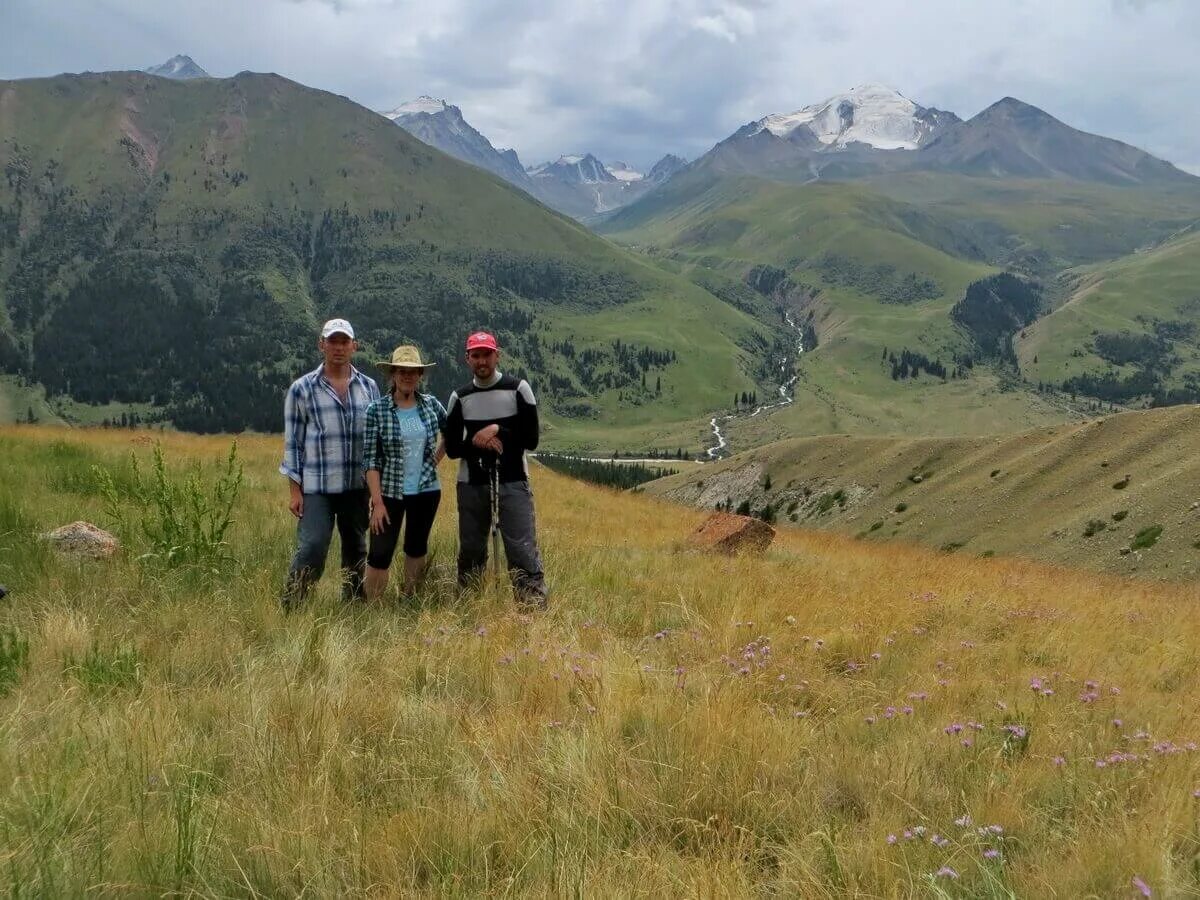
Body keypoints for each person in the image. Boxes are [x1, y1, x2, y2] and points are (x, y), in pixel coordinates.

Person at [279, 318, 379, 609]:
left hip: (355, 486)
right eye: (332, 341)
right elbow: (293, 444)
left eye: (344, 341)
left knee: (356, 549)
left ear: (354, 346)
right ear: (321, 345)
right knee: (312, 546)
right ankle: (293, 605)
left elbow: (374, 440)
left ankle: (353, 606)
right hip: (317, 487)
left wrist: (376, 489)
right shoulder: (301, 389)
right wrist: (295, 491)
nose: (338, 347)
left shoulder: (368, 387)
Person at [444, 330, 548, 608]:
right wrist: (480, 443)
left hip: (514, 481)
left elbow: (531, 440)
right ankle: (470, 607)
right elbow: (453, 448)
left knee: (521, 549)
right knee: (471, 549)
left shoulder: (518, 389)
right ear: (467, 359)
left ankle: (532, 611)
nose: (482, 361)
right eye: (475, 355)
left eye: (487, 355)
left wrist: (497, 430)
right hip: (471, 483)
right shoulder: (460, 397)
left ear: (497, 355)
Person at [362, 345, 447, 600]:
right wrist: (376, 502)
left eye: (413, 372)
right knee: (379, 553)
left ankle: (411, 599)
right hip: (388, 491)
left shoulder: (431, 405)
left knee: (416, 546)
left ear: (420, 375)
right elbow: (371, 460)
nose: (407, 376)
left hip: (426, 489)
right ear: (393, 375)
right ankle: (374, 607)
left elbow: (452, 430)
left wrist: (437, 458)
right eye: (402, 371)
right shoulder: (376, 410)